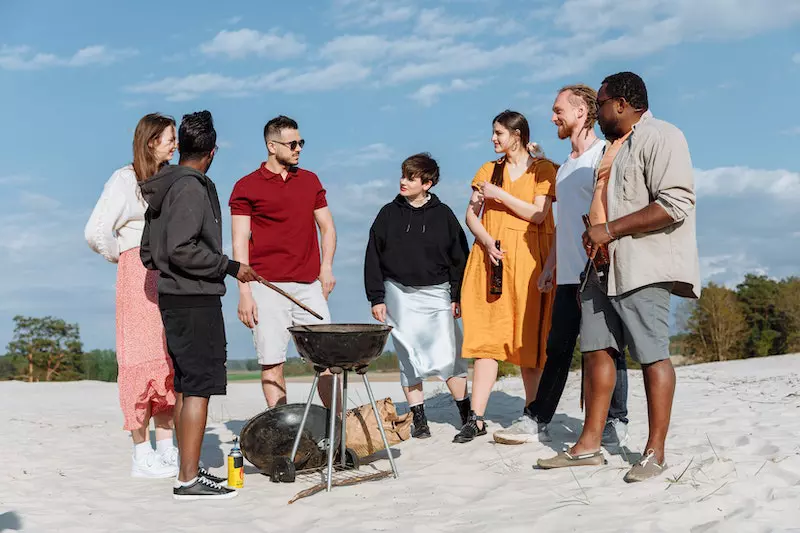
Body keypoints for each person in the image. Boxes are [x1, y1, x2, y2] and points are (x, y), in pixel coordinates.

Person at [537, 72, 700, 483]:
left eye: (603, 103)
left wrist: (609, 230)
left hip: (642, 266)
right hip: (599, 268)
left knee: (652, 355)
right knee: (596, 351)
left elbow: (676, 203)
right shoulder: (609, 148)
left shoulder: (663, 136)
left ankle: (654, 452)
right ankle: (589, 446)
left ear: (623, 104)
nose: (599, 110)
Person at [493, 86, 630, 446]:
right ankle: (537, 418)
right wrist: (551, 265)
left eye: (558, 110)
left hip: (598, 272)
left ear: (582, 112)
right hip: (568, 273)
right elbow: (564, 222)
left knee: (607, 348)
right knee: (558, 347)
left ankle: (616, 420)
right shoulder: (566, 166)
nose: (553, 117)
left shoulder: (605, 154)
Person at [140, 110, 261, 500]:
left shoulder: (164, 184)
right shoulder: (191, 187)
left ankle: (186, 473)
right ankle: (188, 478)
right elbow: (179, 248)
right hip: (193, 299)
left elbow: (148, 252)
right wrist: (229, 266)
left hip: (177, 297)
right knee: (198, 389)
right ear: (211, 151)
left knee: (189, 385)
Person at [84, 113, 180, 478]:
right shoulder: (125, 179)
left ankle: (168, 449)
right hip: (137, 274)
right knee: (139, 360)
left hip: (166, 276)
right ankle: (142, 454)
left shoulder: (169, 179)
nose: (175, 144)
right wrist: (123, 256)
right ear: (152, 140)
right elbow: (95, 231)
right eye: (170, 138)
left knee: (166, 360)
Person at [454, 110, 558, 443]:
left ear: (517, 134)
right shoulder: (488, 170)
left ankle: (533, 412)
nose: (493, 139)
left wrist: (499, 196)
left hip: (529, 259)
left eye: (498, 133)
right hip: (490, 258)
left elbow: (539, 214)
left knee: (528, 339)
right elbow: (472, 214)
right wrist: (485, 241)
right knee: (486, 337)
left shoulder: (543, 169)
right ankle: (476, 417)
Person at [229, 115, 337, 409]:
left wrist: (326, 267)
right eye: (292, 143)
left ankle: (336, 428)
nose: (299, 148)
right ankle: (283, 430)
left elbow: (327, 226)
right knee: (272, 361)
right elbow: (239, 241)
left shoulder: (311, 180)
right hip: (266, 286)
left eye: (301, 142)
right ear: (272, 146)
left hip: (308, 286)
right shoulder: (246, 186)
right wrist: (245, 293)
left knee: (327, 362)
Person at [364, 153, 471, 438]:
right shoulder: (388, 213)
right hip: (398, 294)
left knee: (450, 355)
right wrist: (376, 298)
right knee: (408, 358)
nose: (403, 181)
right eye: (403, 175)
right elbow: (372, 256)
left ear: (428, 183)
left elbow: (460, 257)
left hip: (438, 293)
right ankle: (419, 419)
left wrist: (457, 296)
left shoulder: (444, 214)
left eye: (410, 177)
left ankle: (466, 414)